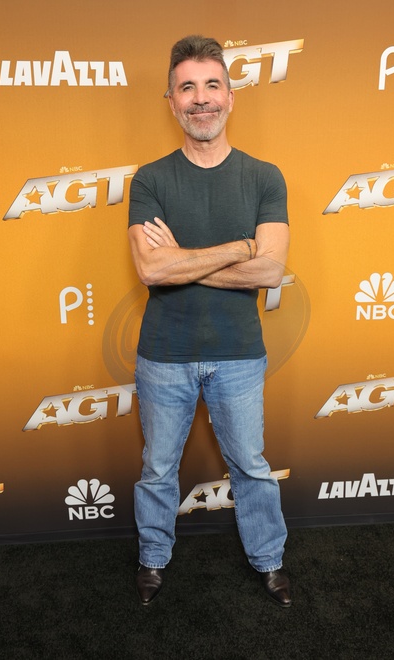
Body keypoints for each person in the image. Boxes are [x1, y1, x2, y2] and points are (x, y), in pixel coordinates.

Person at [128, 35, 291, 608]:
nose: (201, 98)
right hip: (163, 354)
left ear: (230, 96)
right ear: (172, 101)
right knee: (157, 469)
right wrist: (239, 247)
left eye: (212, 85)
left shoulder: (264, 177)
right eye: (187, 87)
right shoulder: (149, 180)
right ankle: (152, 559)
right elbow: (151, 269)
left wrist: (184, 260)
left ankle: (269, 561)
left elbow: (270, 271)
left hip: (239, 352)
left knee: (251, 466)